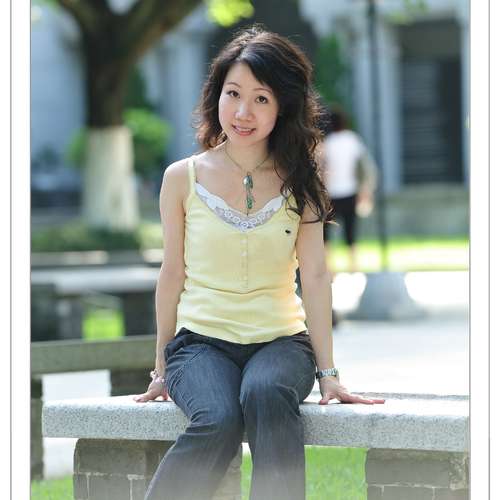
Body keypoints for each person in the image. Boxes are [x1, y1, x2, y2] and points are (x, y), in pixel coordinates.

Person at [133, 26, 385, 500]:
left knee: (265, 392)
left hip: (282, 343)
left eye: (261, 99)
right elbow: (172, 272)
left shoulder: (303, 181)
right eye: (233, 94)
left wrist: (329, 374)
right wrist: (161, 365)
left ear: (283, 106)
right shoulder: (181, 178)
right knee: (218, 417)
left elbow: (315, 275)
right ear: (216, 96)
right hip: (199, 345)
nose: (242, 112)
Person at [320, 106, 378, 274]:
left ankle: (330, 269)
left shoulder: (326, 143)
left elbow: (322, 168)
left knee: (326, 233)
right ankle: (353, 266)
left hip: (329, 193)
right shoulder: (353, 140)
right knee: (351, 230)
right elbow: (364, 165)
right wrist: (366, 189)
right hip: (350, 190)